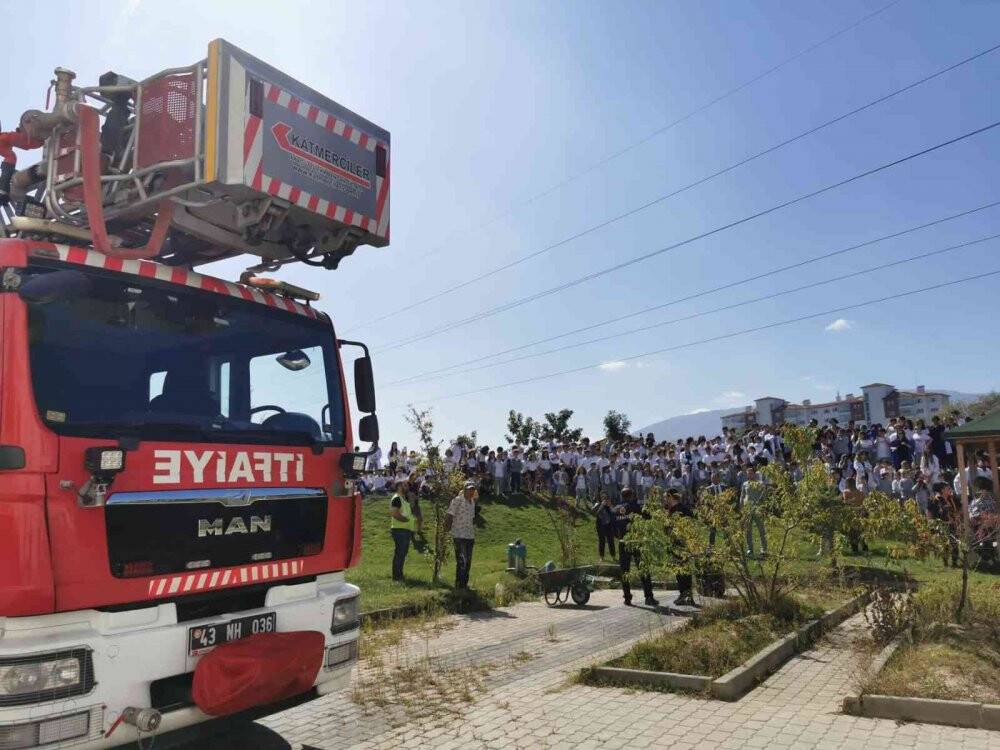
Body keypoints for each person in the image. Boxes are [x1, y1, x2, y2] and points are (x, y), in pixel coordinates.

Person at [615, 488, 657, 607]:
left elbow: (611, 525)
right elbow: (649, 518)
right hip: (637, 541)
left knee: (625, 571)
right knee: (643, 569)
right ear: (632, 495)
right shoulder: (637, 507)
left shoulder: (616, 509)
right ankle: (648, 597)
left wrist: (618, 536)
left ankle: (627, 598)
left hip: (623, 542)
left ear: (622, 496)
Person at [445, 481, 478, 589]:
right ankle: (459, 584)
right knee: (462, 561)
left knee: (468, 561)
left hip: (470, 536)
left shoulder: (472, 503)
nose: (471, 492)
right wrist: (446, 531)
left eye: (473, 490)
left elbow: (472, 519)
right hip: (459, 535)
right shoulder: (457, 500)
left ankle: (464, 584)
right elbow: (449, 515)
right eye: (469, 489)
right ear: (464, 490)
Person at [389, 482, 417, 581]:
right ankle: (397, 576)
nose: (407, 487)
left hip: (405, 530)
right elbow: (394, 513)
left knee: (402, 553)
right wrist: (405, 520)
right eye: (405, 485)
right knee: (400, 553)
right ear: (399, 487)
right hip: (400, 530)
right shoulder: (397, 498)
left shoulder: (404, 499)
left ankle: (399, 575)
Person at [740, 466, 768, 558]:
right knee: (748, 530)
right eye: (748, 473)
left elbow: (764, 496)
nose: (749, 475)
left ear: (755, 474)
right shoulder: (745, 484)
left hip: (757, 509)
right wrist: (741, 507)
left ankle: (764, 549)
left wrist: (763, 507)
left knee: (761, 529)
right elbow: (742, 496)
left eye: (751, 473)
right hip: (747, 509)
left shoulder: (760, 483)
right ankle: (750, 549)